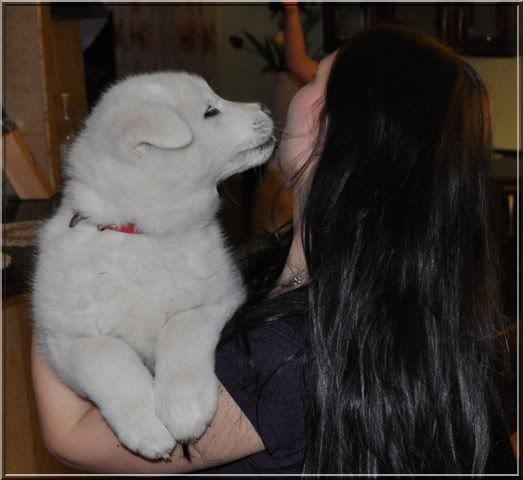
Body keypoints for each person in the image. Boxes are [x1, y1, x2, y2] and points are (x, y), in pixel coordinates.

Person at [31, 26, 515, 474]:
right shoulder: (335, 298)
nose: (295, 88)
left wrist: (75, 237)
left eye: (315, 78)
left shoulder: (286, 358)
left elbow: (70, 433)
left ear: (333, 129)